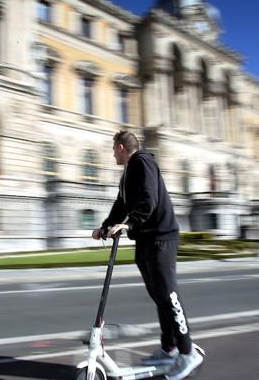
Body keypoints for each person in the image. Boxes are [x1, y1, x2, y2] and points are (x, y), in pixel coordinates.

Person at [92, 130, 203, 380]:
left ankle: (187, 352)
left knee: (169, 294)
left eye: (113, 150)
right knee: (159, 297)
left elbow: (148, 199)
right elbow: (120, 205)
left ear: (121, 147)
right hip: (146, 239)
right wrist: (105, 227)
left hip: (161, 237)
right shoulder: (128, 173)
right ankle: (169, 348)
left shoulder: (143, 162)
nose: (112, 155)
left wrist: (130, 224)